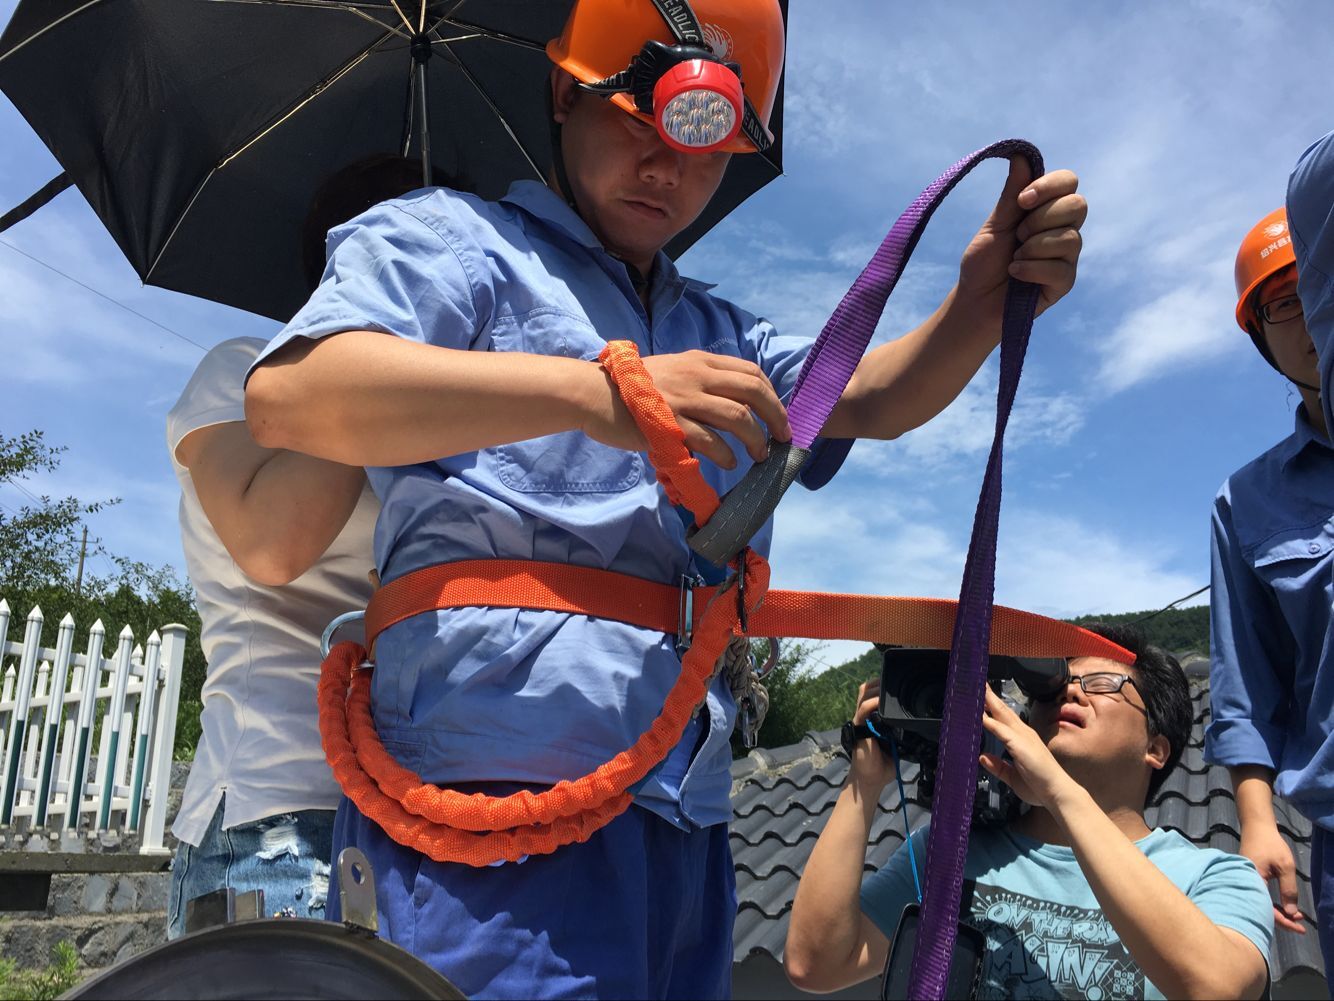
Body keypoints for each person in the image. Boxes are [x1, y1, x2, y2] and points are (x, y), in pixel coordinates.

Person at [243, 0, 1090, 995]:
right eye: (639, 122)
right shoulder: (451, 241)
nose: (667, 167)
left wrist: (978, 300)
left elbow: (872, 394)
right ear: (563, 95)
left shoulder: (724, 333)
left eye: (705, 143)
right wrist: (599, 395)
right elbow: (295, 393)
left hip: (683, 815)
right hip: (489, 794)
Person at [165, 156, 424, 937]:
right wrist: (377, 357)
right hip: (274, 824)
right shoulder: (241, 373)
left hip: (409, 822)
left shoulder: (427, 423)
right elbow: (273, 544)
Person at [787, 624, 1273, 999]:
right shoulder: (952, 852)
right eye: (1056, 686)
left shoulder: (1216, 877)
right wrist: (864, 780)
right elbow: (816, 964)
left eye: (1103, 682)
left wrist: (1059, 791)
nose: (1071, 691)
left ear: (1156, 748)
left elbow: (1219, 988)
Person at [1206, 202, 1334, 976]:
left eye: (1326, 283)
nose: (1315, 311)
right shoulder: (1246, 501)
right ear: (1260, 336)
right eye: (1285, 301)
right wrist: (1257, 819)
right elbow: (1246, 683)